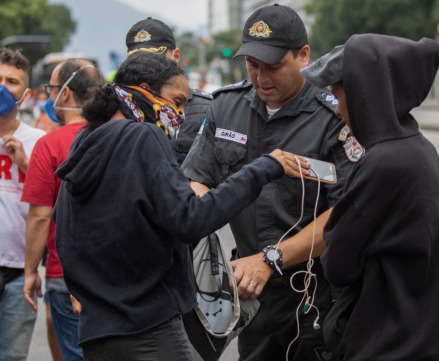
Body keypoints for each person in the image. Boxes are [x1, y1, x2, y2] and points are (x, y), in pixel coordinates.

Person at [52, 51, 307, 360]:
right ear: (144, 91)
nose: (181, 115)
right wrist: (265, 167)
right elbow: (191, 219)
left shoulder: (85, 142)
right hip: (149, 329)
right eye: (176, 101)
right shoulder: (143, 136)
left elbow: (64, 230)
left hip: (97, 333)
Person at [181, 4, 360, 360]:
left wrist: (269, 260)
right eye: (253, 65)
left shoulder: (333, 114)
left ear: (303, 55)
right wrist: (204, 249)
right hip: (248, 294)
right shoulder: (226, 107)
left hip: (313, 293)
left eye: (274, 66)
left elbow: (347, 212)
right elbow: (195, 182)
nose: (262, 78)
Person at [302, 34, 439, 360]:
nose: (336, 109)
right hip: (421, 332)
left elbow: (338, 263)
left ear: (365, 92)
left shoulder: (383, 163)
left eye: (339, 94)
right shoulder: (418, 148)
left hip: (390, 341)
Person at [21, 58, 104, 361]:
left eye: (52, 89)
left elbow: (41, 215)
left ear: (65, 93)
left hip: (65, 274)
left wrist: (31, 271)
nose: (50, 95)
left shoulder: (50, 144)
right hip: (119, 276)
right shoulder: (122, 134)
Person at [0, 48, 46, 361]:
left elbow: (51, 200)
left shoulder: (39, 141)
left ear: (26, 93)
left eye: (12, 81)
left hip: (19, 275)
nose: (1, 87)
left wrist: (26, 164)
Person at [126, 17, 212, 165]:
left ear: (176, 57)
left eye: (155, 60)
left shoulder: (207, 110)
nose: (144, 67)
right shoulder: (121, 108)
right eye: (137, 60)